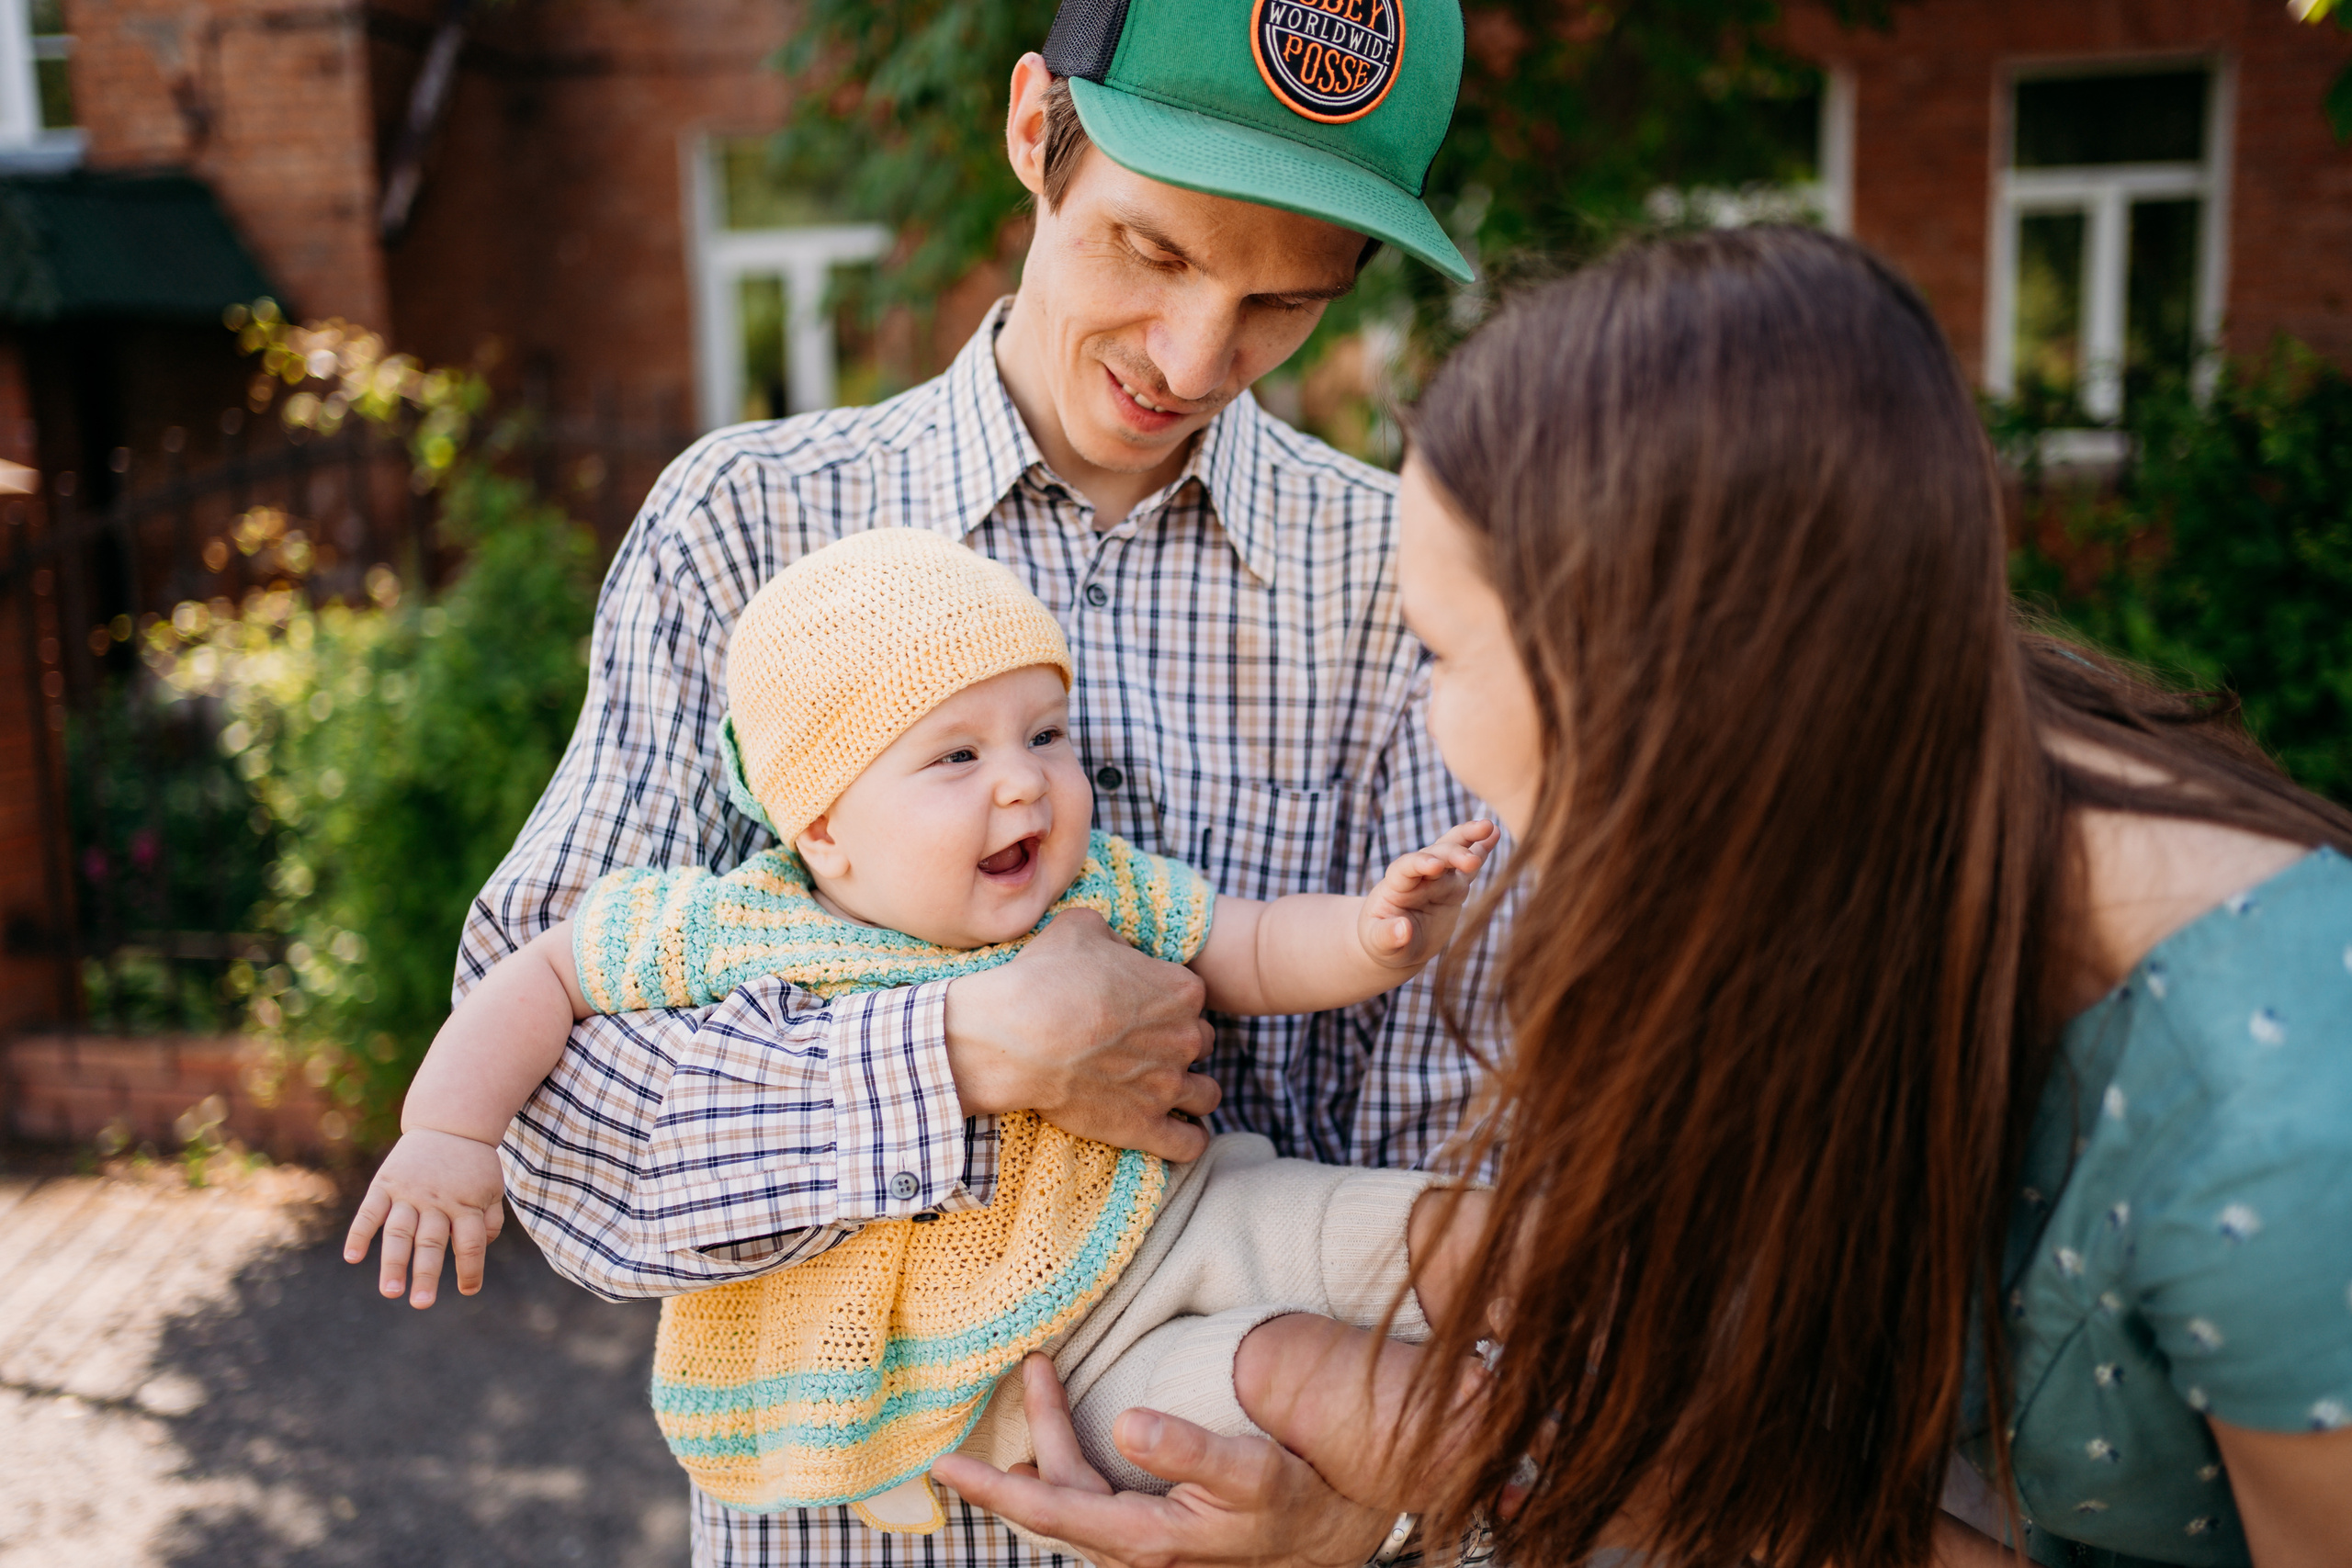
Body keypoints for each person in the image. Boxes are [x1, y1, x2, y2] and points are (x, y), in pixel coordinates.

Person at [944, 228, 2352, 1568]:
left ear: (1646, 688)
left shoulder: (2285, 1130)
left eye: (1437, 651)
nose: (1424, 719)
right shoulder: (1881, 785)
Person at [455, 0, 1499, 1561]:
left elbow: (1457, 1144)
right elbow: (554, 1122)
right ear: (1033, 132)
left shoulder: (1401, 586)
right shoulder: (743, 531)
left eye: (1281, 302)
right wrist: (955, 1052)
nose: (1193, 356)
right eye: (1151, 252)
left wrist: (1363, 1514)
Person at [348, 528, 1495, 1542]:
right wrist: (450, 1128)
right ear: (825, 824)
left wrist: (1372, 934)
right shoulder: (743, 926)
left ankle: (1631, 1407)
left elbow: (1242, 947)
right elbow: (543, 969)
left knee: (1468, 1236)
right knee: (1312, 1380)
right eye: (958, 755)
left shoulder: (1093, 890)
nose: (1025, 786)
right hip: (1032, 1376)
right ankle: (1534, 1497)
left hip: (1201, 1215)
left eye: (1046, 735)